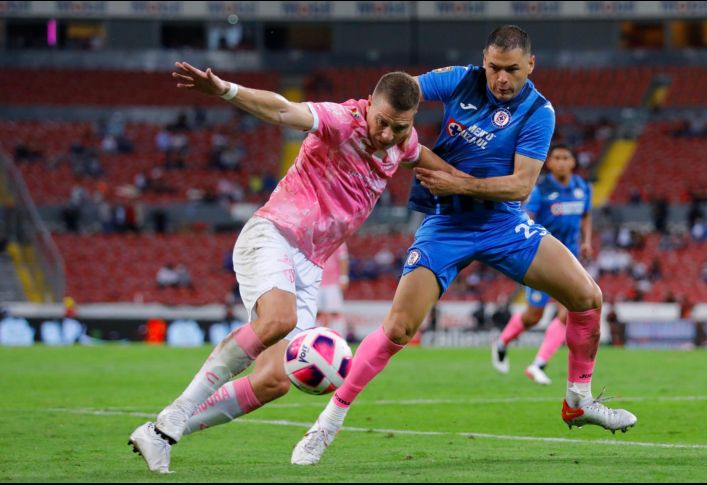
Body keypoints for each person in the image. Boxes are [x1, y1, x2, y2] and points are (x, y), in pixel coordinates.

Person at [292, 25, 636, 466]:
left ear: (531, 65)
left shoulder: (538, 112)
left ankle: (578, 401)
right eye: (494, 67)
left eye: (512, 69)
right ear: (484, 61)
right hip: (447, 225)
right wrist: (367, 116)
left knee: (588, 297)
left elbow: (521, 186)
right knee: (398, 328)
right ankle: (326, 425)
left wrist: (459, 181)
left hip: (504, 223)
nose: (501, 79)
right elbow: (402, 90)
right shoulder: (461, 78)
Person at [128, 61, 463, 474]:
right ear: (370, 105)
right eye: (383, 123)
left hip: (310, 263)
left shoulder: (402, 142)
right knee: (278, 320)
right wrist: (225, 91)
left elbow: (426, 159)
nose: (387, 135)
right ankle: (175, 414)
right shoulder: (343, 121)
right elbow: (284, 110)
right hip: (274, 235)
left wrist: (475, 187)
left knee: (274, 380)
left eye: (400, 127)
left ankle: (158, 435)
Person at [491, 144, 593, 385]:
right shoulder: (542, 190)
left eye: (565, 157)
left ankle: (538, 364)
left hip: (571, 259)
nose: (560, 161)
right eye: (556, 157)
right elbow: (528, 219)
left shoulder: (582, 188)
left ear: (572, 162)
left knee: (567, 312)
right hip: (543, 259)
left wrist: (587, 241)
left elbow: (587, 214)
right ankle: (502, 342)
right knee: (533, 316)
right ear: (549, 163)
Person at [316, 242, 350, 336]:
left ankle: (338, 337)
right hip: (315, 283)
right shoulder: (314, 238)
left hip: (332, 283)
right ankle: (316, 337)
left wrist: (343, 278)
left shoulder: (338, 239)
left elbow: (343, 258)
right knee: (316, 313)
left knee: (334, 312)